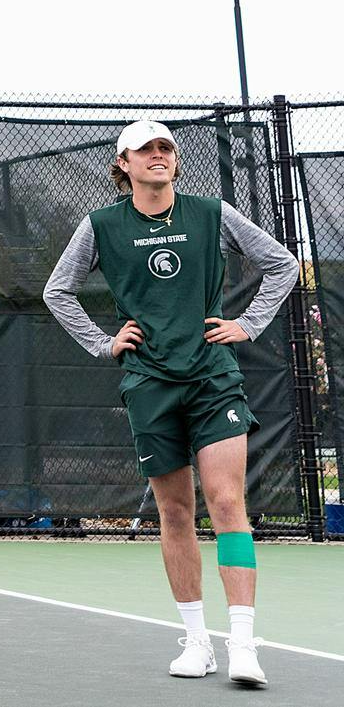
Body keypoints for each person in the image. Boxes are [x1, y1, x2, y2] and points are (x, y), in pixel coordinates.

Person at [42, 120, 298, 687]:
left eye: (166, 148)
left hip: (213, 377)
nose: (158, 155)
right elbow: (56, 291)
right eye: (145, 149)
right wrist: (103, 342)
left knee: (227, 503)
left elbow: (283, 264)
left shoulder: (212, 214)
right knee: (176, 512)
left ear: (175, 162)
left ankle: (243, 645)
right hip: (149, 383)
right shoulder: (101, 226)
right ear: (124, 163)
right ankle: (198, 642)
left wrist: (249, 323)